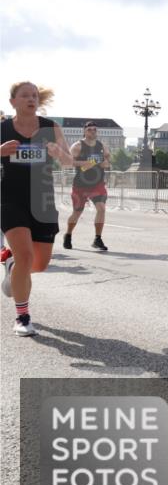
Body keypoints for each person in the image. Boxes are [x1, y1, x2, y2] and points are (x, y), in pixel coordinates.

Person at [1, 82, 74, 336]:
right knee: (25, 256)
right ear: (13, 102)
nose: (31, 99)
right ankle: (22, 317)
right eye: (25, 96)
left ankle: (12, 267)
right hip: (10, 198)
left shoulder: (50, 128)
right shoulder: (3, 129)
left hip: (42, 199)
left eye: (34, 95)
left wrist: (58, 153)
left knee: (39, 264)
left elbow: (68, 162)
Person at [63, 121, 111, 251]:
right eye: (90, 129)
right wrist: (87, 163)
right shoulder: (78, 146)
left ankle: (97, 239)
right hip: (81, 185)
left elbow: (108, 161)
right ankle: (68, 234)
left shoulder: (102, 146)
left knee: (101, 208)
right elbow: (68, 162)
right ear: (84, 131)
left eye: (95, 129)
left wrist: (104, 163)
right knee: (77, 213)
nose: (93, 131)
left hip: (97, 184)